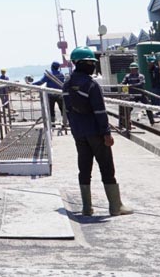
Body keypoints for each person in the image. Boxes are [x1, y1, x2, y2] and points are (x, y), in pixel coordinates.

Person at [64, 46, 133, 216]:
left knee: (84, 169)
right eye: (90, 63)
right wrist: (106, 133)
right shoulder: (91, 85)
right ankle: (115, 206)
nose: (93, 65)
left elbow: (68, 112)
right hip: (96, 133)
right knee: (107, 168)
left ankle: (87, 208)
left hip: (79, 134)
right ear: (82, 63)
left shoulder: (67, 85)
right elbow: (100, 111)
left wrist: (76, 131)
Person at [34, 62, 68, 129]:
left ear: (52, 66)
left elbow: (41, 82)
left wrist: (32, 84)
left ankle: (52, 124)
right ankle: (65, 123)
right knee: (62, 109)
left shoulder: (49, 74)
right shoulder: (61, 74)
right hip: (59, 94)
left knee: (51, 110)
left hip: (51, 95)